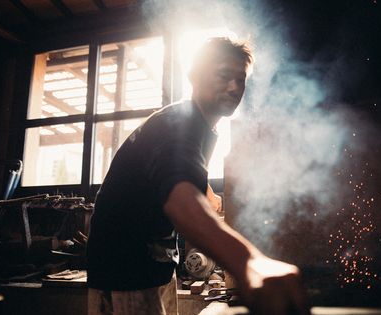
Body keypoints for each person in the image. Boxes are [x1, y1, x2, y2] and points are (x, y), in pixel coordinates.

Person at [86, 37, 305, 315]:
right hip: (125, 268)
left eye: (241, 79)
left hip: (154, 264)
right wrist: (249, 263)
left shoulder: (200, 127)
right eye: (224, 75)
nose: (235, 87)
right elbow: (180, 201)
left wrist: (208, 195)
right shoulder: (181, 123)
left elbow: (177, 176)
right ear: (194, 76)